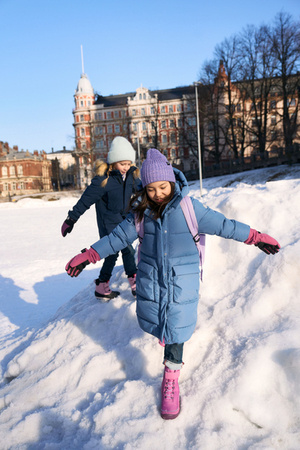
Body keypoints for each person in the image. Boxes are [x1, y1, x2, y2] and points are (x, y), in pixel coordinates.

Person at [64, 148, 280, 420]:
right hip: (152, 283)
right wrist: (89, 254)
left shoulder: (191, 209)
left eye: (163, 187)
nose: (157, 194)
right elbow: (116, 238)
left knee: (176, 331)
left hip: (182, 285)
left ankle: (171, 378)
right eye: (151, 189)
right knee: (160, 324)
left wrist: (255, 236)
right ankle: (168, 346)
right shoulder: (140, 214)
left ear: (173, 183)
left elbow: (225, 225)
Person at [61, 136, 141, 299]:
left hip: (123, 222)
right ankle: (135, 281)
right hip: (108, 224)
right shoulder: (103, 180)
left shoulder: (131, 177)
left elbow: (144, 191)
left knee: (111, 255)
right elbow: (85, 200)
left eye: (128, 163)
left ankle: (102, 285)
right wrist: (71, 219)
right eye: (122, 164)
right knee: (127, 249)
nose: (125, 167)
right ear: (113, 162)